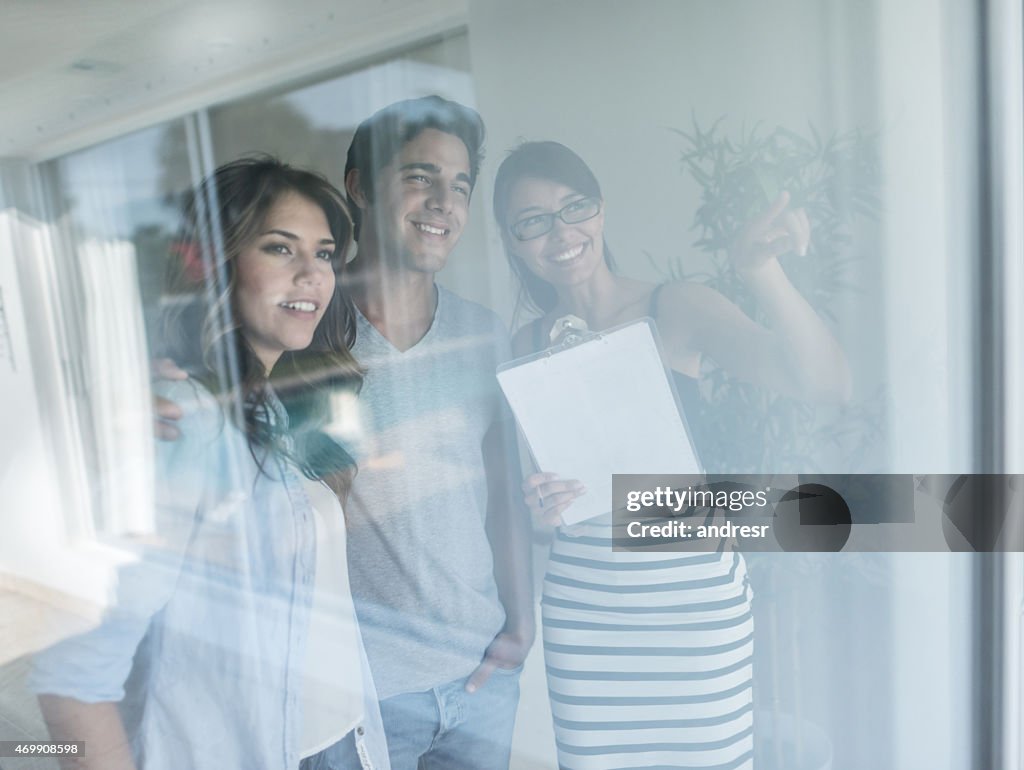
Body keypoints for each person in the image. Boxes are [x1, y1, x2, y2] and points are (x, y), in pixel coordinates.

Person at [492, 141, 851, 770]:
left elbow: (826, 384)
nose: (561, 232)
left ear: (600, 211)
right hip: (586, 607)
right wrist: (545, 511)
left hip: (691, 599)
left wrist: (763, 273)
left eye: (574, 207)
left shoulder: (672, 306)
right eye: (533, 221)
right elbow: (541, 506)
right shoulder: (521, 344)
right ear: (513, 242)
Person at [30, 157, 389, 770]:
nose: (311, 275)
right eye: (280, 248)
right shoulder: (184, 420)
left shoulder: (286, 405)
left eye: (324, 254)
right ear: (216, 265)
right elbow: (73, 681)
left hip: (343, 742)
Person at [337, 96, 533, 770]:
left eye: (459, 185)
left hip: (481, 674)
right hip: (361, 692)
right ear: (359, 185)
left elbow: (503, 492)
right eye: (419, 177)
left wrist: (520, 622)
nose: (444, 202)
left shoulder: (484, 334)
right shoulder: (306, 332)